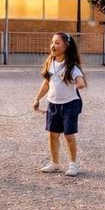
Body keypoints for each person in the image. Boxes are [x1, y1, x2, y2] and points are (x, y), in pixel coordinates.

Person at [32, 32, 86, 177]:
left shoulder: (71, 66)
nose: (53, 46)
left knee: (69, 135)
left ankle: (73, 164)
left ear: (66, 46)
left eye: (57, 43)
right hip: (53, 104)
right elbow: (46, 83)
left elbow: (81, 82)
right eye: (52, 42)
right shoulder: (50, 62)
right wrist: (37, 99)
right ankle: (55, 163)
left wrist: (79, 84)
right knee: (52, 135)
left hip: (70, 104)